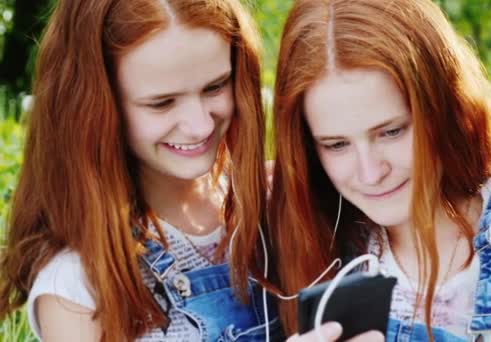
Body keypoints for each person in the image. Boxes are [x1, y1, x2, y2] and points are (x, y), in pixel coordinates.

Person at [266, 0, 491, 340]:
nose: (371, 173)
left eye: (391, 131)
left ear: (444, 107)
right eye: (336, 145)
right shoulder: (311, 246)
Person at [0, 0, 283, 341]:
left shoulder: (265, 205)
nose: (199, 125)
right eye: (161, 103)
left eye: (215, 86)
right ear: (92, 108)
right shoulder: (76, 283)